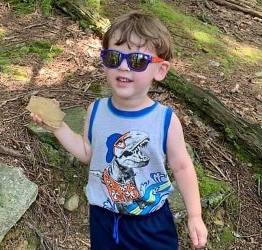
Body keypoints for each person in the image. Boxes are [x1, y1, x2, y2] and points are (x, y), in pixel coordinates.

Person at [30, 11, 207, 250]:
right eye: (114, 57)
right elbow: (87, 153)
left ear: (160, 70)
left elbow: (182, 166)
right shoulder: (96, 110)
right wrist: (57, 126)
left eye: (137, 61)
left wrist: (195, 215)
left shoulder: (165, 120)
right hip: (103, 218)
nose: (123, 67)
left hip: (151, 224)